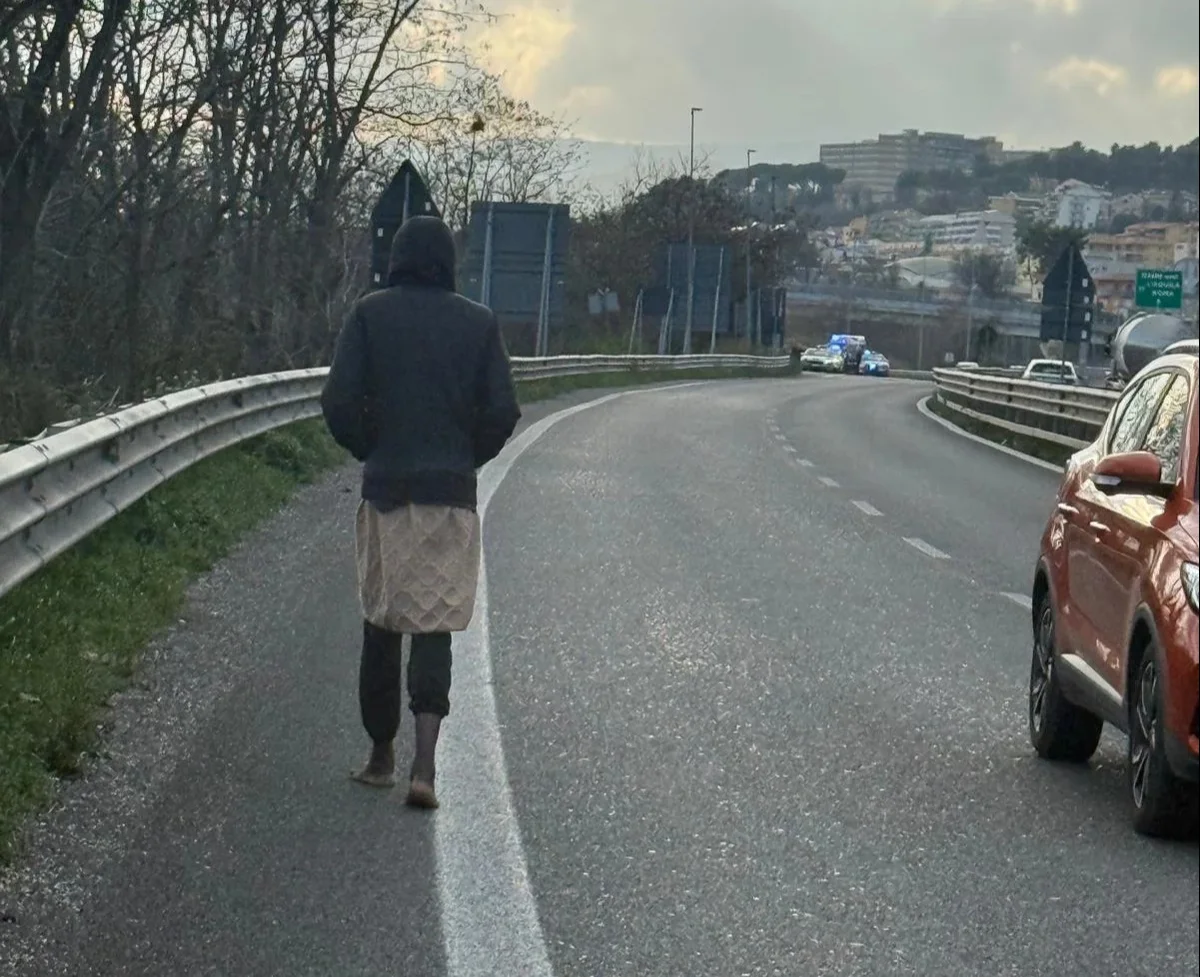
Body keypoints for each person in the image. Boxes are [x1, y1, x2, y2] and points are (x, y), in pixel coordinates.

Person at [320, 215, 521, 809]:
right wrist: (465, 457)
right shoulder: (479, 323)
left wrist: (370, 447)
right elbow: (502, 410)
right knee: (435, 624)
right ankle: (425, 766)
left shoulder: (369, 315)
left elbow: (337, 400)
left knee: (382, 621)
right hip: (448, 495)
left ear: (397, 259)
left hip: (388, 491)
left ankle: (380, 757)